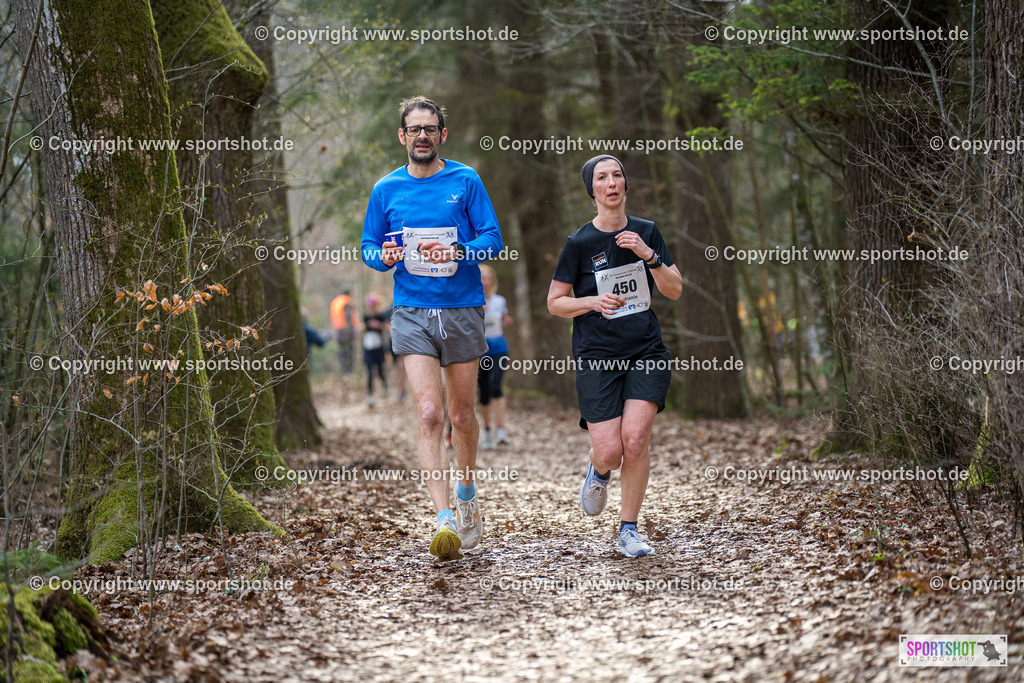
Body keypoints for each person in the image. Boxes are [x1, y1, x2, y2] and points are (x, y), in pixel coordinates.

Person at [361, 96, 502, 560]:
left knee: (461, 415)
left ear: (443, 135)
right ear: (402, 137)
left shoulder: (465, 181)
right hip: (412, 311)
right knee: (428, 414)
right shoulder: (386, 189)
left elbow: (492, 240)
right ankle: (442, 518)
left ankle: (466, 493)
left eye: (431, 128)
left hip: (462, 308)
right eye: (414, 129)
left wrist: (460, 251)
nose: (422, 135)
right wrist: (382, 256)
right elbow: (368, 247)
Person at [547, 155, 682, 558]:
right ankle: (599, 469)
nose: (611, 183)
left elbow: (674, 289)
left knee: (635, 440)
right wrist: (590, 302)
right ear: (593, 190)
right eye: (602, 177)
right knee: (610, 450)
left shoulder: (647, 232)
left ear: (625, 185)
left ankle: (628, 530)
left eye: (617, 175)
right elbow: (555, 302)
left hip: (645, 349)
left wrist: (649, 254)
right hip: (596, 355)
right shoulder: (579, 243)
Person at [478, 264, 512, 449]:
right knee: (483, 392)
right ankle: (487, 431)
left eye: (488, 278)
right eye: (482, 278)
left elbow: (503, 317)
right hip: (479, 351)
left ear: (492, 281)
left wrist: (506, 320)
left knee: (496, 386)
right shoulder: (471, 301)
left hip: (499, 348)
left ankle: (501, 430)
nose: (485, 282)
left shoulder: (500, 301)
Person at [362, 294, 388, 407]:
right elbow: (362, 327)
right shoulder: (365, 317)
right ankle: (370, 395)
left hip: (378, 346)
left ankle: (384, 386)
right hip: (368, 347)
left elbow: (387, 328)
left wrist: (379, 325)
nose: (372, 307)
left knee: (380, 369)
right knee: (369, 371)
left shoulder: (380, 317)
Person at [330, 290, 359, 374]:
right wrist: (353, 333)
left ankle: (343, 371)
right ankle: (349, 372)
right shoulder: (346, 301)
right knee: (349, 352)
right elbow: (348, 317)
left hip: (338, 330)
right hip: (346, 331)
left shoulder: (335, 302)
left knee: (342, 351)